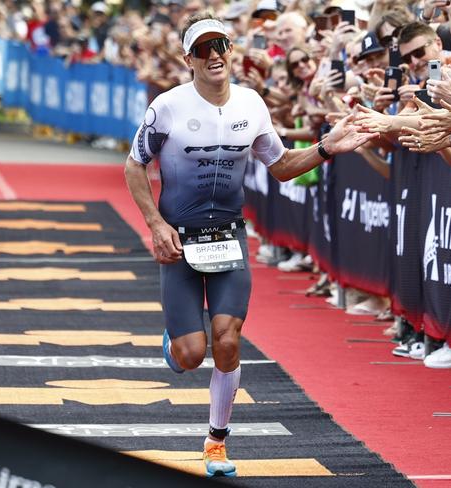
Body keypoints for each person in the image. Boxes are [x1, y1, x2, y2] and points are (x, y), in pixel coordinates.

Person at [124, 11, 375, 478]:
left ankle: (216, 442)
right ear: (189, 60)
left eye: (221, 45)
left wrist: (326, 146)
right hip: (180, 239)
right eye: (204, 49)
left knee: (228, 340)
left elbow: (279, 166)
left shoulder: (252, 105)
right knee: (191, 354)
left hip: (228, 236)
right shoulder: (168, 107)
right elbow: (134, 167)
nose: (215, 55)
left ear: (231, 52)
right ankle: (176, 345)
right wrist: (156, 225)